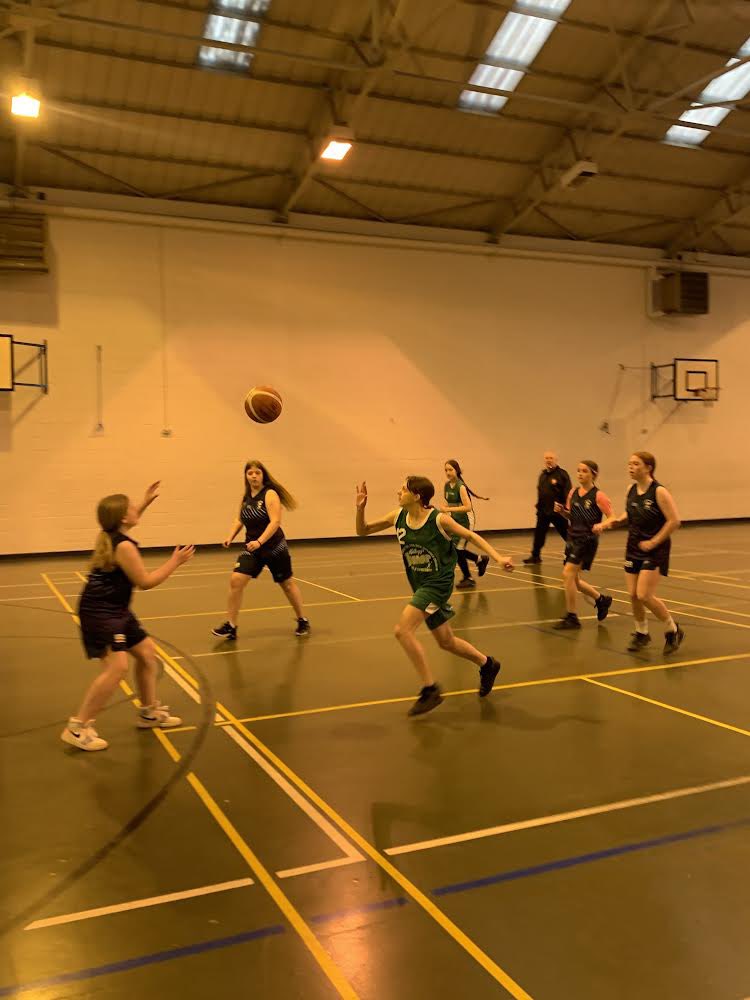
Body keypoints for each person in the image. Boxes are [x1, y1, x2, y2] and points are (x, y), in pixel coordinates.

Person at [355, 476, 514, 716]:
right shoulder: (397, 516)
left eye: (403, 489)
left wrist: (499, 557)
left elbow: (471, 536)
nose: (398, 491)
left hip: (437, 584)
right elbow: (362, 531)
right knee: (446, 642)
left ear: (417, 495)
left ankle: (431, 689)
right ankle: (488, 664)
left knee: (402, 630)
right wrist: (360, 509)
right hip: (419, 584)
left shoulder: (438, 519)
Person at [61, 482, 194, 752]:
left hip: (117, 610)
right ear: (122, 517)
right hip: (101, 612)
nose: (136, 511)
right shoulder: (124, 547)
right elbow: (145, 582)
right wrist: (175, 561)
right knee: (117, 667)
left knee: (146, 654)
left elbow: (130, 520)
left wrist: (145, 502)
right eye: (132, 507)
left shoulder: (113, 533)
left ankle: (148, 712)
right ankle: (77, 727)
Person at [594, 451, 684, 653]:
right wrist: (614, 522)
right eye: (629, 464)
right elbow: (630, 513)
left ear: (648, 467)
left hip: (654, 548)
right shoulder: (631, 489)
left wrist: (654, 542)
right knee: (633, 595)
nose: (631, 467)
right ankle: (642, 633)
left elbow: (674, 521)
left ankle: (672, 629)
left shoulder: (659, 492)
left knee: (644, 594)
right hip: (633, 546)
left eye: (635, 464)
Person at [212, 460, 310, 641]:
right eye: (250, 473)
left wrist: (260, 541)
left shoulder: (270, 494)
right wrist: (230, 536)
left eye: (257, 472)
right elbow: (240, 519)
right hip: (252, 548)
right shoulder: (246, 497)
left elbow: (275, 522)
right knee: (236, 580)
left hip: (274, 547)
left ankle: (302, 620)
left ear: (263, 474)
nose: (254, 476)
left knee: (287, 584)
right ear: (246, 476)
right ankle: (231, 626)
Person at [551, 460, 613, 629]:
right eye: (578, 470)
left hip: (586, 540)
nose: (580, 474)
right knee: (575, 580)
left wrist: (602, 525)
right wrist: (562, 512)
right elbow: (572, 516)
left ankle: (572, 617)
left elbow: (612, 517)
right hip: (572, 538)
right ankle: (601, 599)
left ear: (593, 474)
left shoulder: (599, 496)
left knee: (567, 574)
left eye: (584, 471)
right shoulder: (573, 492)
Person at [440, 459, 490, 589]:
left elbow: (468, 507)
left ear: (457, 470)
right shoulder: (446, 485)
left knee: (457, 549)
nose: (448, 472)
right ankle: (479, 559)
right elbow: (449, 504)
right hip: (455, 520)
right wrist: (444, 509)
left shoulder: (460, 486)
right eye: (446, 470)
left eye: (450, 469)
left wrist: (449, 509)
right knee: (454, 548)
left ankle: (468, 577)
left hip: (466, 520)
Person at [524, 451, 571, 564]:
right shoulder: (543, 475)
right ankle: (535, 556)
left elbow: (568, 492)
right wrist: (538, 505)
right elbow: (541, 491)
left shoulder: (562, 474)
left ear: (556, 460)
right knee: (539, 534)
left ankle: (574, 553)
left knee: (567, 534)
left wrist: (565, 507)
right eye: (546, 458)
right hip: (543, 512)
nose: (548, 460)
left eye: (551, 458)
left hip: (558, 512)